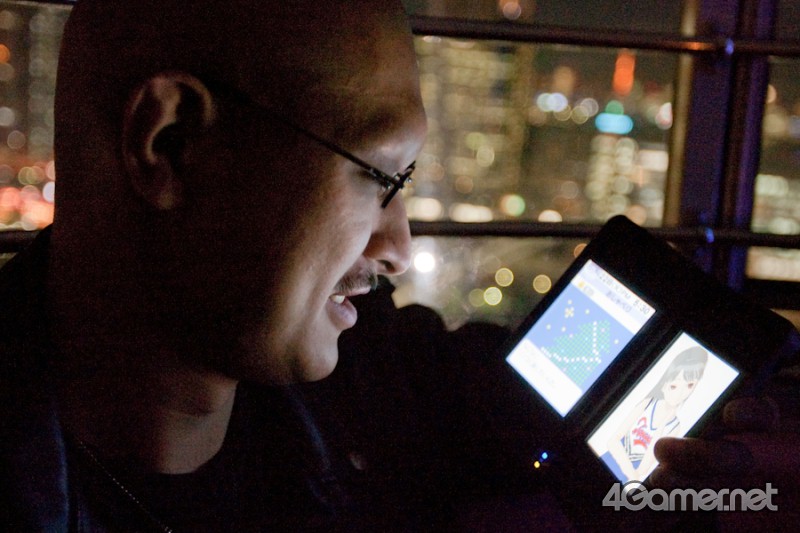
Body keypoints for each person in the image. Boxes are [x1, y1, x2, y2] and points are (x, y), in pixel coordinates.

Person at [0, 0, 796, 531]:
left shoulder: (373, 378)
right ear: (170, 144)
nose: (400, 247)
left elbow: (498, 395)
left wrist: (729, 463)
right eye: (379, 175)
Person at [603, 346, 707, 483]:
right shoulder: (648, 403)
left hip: (627, 478)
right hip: (610, 461)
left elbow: (644, 468)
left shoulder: (674, 426)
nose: (680, 393)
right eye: (674, 385)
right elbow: (613, 441)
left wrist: (663, 423)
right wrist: (632, 475)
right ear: (665, 383)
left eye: (689, 385)